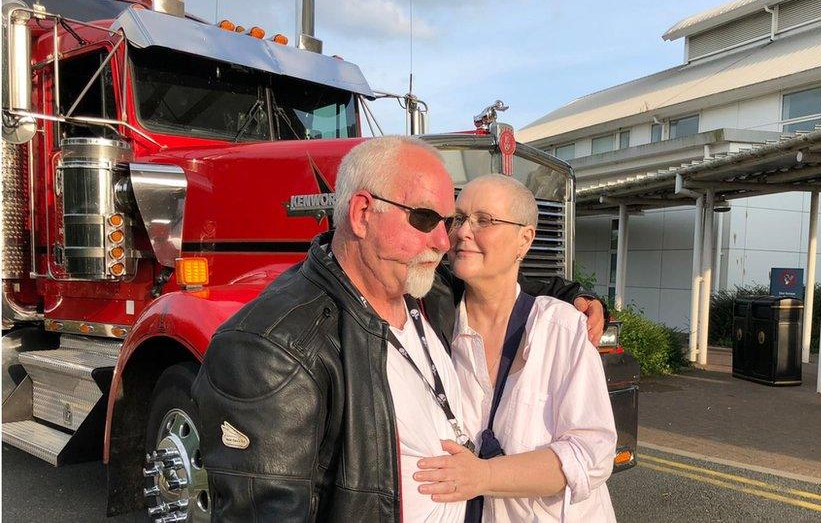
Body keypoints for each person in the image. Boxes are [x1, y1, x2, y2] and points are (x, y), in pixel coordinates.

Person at [191, 136, 605, 522]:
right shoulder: (273, 349)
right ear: (362, 213)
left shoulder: (425, 293)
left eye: (453, 221)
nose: (450, 240)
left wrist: (572, 296)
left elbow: (498, 284)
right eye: (431, 218)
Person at [413, 174, 617, 522]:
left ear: (524, 239)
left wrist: (483, 476)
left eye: (484, 220)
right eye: (459, 218)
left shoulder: (561, 329)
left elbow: (590, 454)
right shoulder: (433, 325)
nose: (463, 231)